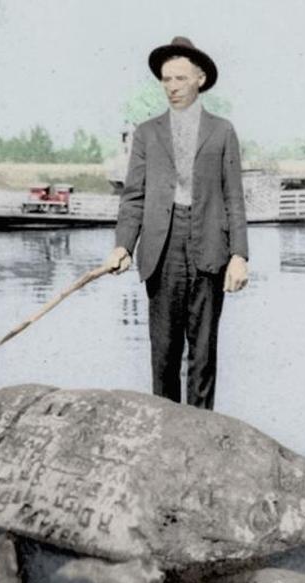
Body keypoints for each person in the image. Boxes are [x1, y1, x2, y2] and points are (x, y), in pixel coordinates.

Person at [105, 36, 249, 411]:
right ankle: (165, 438)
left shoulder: (223, 131)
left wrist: (239, 256)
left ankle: (201, 439)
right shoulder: (147, 133)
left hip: (210, 248)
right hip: (161, 249)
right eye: (166, 80)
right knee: (164, 355)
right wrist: (123, 245)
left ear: (200, 79)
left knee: (202, 355)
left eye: (180, 79)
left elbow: (234, 197)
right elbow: (133, 196)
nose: (171, 87)